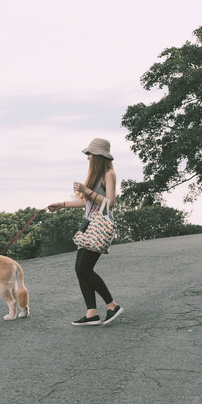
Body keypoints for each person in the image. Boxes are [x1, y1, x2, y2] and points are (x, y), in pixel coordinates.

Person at [47, 138, 124, 326]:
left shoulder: (109, 174)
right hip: (90, 225)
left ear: (99, 156)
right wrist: (62, 205)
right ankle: (91, 312)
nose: (87, 157)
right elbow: (86, 202)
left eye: (90, 154)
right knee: (80, 269)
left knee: (83, 268)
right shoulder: (95, 176)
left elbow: (110, 202)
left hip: (101, 225)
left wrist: (86, 190)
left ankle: (112, 305)